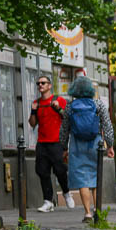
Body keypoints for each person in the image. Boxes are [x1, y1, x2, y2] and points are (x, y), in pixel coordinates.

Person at [59, 75, 115, 223]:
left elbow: (64, 129)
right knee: (95, 177)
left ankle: (88, 213)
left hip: (77, 145)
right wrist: (110, 145)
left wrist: (64, 148)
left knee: (83, 180)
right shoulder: (98, 105)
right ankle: (98, 212)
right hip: (95, 144)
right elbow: (107, 126)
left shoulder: (70, 107)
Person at [28, 76, 71, 212]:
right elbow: (32, 123)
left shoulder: (59, 100)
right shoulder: (37, 103)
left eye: (43, 83)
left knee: (60, 170)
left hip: (57, 142)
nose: (40, 85)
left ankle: (66, 192)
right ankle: (48, 201)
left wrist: (58, 109)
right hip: (42, 143)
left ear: (49, 85)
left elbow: (67, 118)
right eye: (38, 83)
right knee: (42, 172)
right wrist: (33, 111)